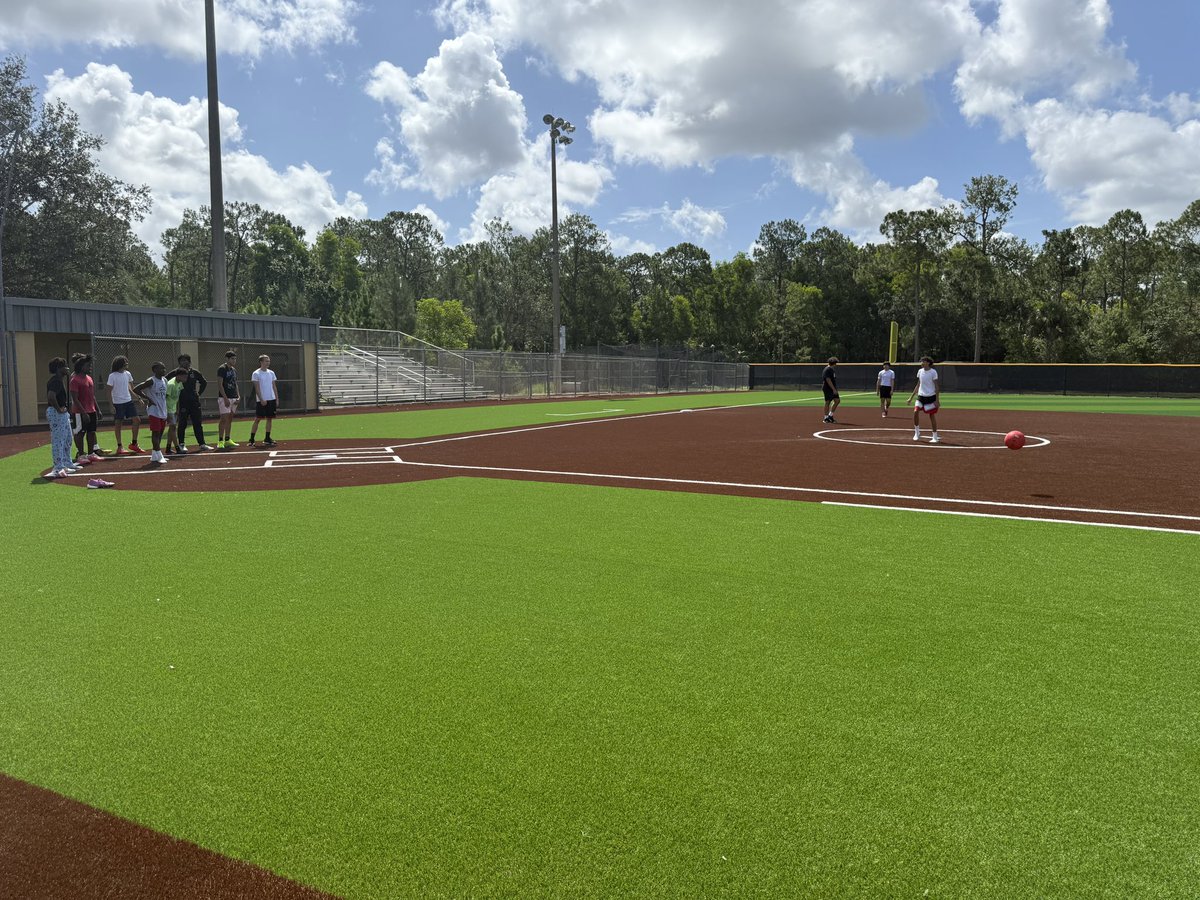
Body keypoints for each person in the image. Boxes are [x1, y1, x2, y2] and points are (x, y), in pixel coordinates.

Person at [45, 357, 79, 478]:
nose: (67, 368)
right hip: (56, 413)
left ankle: (66, 463)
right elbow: (51, 396)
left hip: (62, 413)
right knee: (58, 440)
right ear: (59, 369)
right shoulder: (56, 381)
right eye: (65, 366)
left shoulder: (59, 380)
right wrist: (59, 409)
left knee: (68, 438)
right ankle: (58, 468)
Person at [132, 362, 171, 464]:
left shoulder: (165, 380)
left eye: (164, 368)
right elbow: (136, 389)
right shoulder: (151, 381)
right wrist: (148, 398)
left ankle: (154, 455)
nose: (163, 370)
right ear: (155, 370)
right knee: (156, 432)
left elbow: (164, 396)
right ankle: (159, 454)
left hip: (163, 410)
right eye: (161, 369)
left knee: (160, 433)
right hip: (154, 411)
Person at [175, 354, 215, 451]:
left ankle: (202, 444)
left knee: (197, 423)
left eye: (186, 360)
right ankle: (181, 444)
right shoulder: (176, 373)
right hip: (182, 402)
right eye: (182, 361)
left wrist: (198, 393)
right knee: (182, 423)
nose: (184, 362)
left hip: (194, 402)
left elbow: (204, 382)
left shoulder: (194, 372)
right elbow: (167, 381)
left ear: (189, 362)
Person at [69, 353, 104, 464]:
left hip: (91, 410)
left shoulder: (89, 378)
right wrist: (83, 413)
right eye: (88, 365)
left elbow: (92, 395)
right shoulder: (74, 380)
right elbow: (75, 398)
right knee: (80, 433)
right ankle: (81, 454)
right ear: (81, 366)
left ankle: (90, 454)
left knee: (91, 432)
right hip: (80, 412)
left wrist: (97, 409)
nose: (90, 367)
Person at [106, 356, 145, 455]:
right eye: (125, 362)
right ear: (120, 364)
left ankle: (134, 444)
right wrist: (111, 405)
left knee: (137, 420)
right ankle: (120, 446)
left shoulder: (128, 374)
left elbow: (131, 388)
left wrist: (138, 398)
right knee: (118, 423)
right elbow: (108, 391)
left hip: (128, 401)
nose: (127, 363)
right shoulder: (112, 376)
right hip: (118, 403)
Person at [907, 356, 941, 443]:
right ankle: (917, 432)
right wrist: (911, 398)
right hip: (921, 396)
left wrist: (937, 400)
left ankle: (935, 437)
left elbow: (937, 386)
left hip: (931, 397)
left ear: (928, 363)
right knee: (915, 411)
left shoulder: (933, 372)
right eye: (921, 361)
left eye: (923, 361)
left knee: (931, 416)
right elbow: (918, 384)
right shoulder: (920, 371)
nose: (921, 363)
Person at [248, 354, 279, 447]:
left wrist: (276, 398)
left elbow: (274, 386)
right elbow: (257, 388)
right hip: (262, 400)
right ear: (261, 362)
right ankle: (252, 439)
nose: (268, 363)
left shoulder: (271, 373)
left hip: (271, 399)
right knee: (258, 419)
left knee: (269, 419)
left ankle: (267, 438)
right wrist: (261, 399)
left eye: (268, 361)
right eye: (266, 361)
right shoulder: (256, 373)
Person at [215, 350, 240, 450]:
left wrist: (238, 396)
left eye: (235, 359)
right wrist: (225, 398)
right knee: (223, 419)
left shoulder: (234, 370)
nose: (234, 361)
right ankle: (220, 440)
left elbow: (235, 384)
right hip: (225, 397)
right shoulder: (222, 369)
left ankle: (227, 439)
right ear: (227, 359)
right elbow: (220, 384)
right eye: (232, 359)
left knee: (230, 418)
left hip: (234, 397)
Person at [165, 368, 183, 455]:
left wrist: (177, 409)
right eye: (184, 376)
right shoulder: (171, 384)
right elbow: (165, 398)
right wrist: (166, 412)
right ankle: (177, 448)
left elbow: (178, 397)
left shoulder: (180, 383)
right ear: (179, 376)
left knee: (171, 429)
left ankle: (168, 447)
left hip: (173, 408)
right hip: (168, 409)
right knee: (173, 428)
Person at [821, 356, 840, 424]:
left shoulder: (831, 369)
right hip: (827, 388)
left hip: (833, 388)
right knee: (828, 402)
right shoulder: (827, 369)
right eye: (836, 363)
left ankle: (830, 416)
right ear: (834, 363)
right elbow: (828, 380)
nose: (836, 365)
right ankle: (826, 418)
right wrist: (833, 389)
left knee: (837, 401)